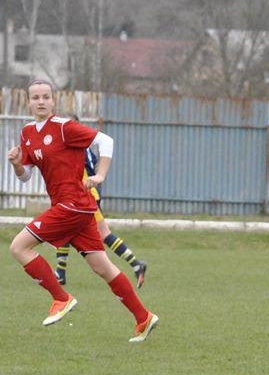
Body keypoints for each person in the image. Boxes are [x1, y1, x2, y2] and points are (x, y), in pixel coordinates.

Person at [7, 79, 159, 343]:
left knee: (19, 247)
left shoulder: (64, 127)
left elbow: (106, 141)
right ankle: (143, 317)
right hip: (77, 208)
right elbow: (25, 176)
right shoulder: (28, 133)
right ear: (28, 102)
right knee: (102, 267)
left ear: (53, 100)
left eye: (46, 96)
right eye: (36, 97)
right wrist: (17, 164)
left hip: (73, 205)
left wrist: (100, 174)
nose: (41, 101)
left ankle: (61, 298)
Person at [54, 115, 147, 288]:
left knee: (103, 233)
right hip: (78, 196)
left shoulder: (80, 147)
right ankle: (60, 272)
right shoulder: (69, 147)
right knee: (65, 230)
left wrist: (91, 182)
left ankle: (136, 264)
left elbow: (92, 168)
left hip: (86, 196)